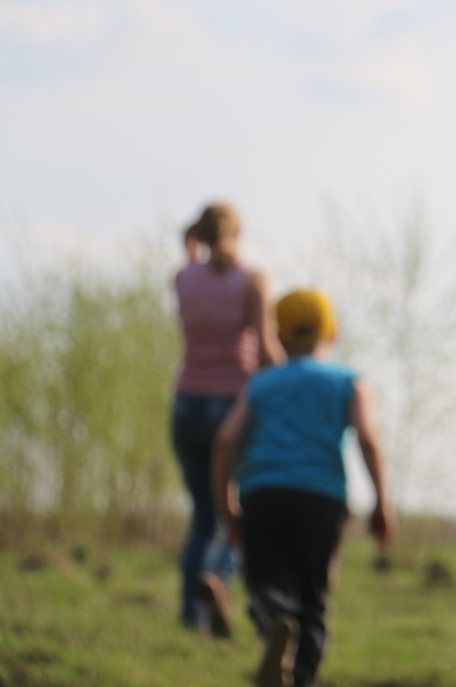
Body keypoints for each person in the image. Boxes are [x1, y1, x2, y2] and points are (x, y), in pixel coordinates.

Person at [212, 287, 396, 687]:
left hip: (263, 496)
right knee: (314, 598)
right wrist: (382, 502)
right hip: (322, 499)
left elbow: (226, 440)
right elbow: (368, 438)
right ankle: (302, 678)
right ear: (333, 333)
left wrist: (226, 505)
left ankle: (276, 619)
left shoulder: (261, 384)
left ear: (277, 335)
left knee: (266, 582)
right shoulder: (350, 381)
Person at [173, 202, 284, 637]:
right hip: (233, 407)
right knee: (234, 512)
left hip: (185, 405)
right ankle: (218, 580)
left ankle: (192, 618)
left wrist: (191, 243)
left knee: (203, 517)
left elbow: (194, 264)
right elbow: (267, 350)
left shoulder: (183, 278)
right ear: (239, 232)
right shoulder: (253, 281)